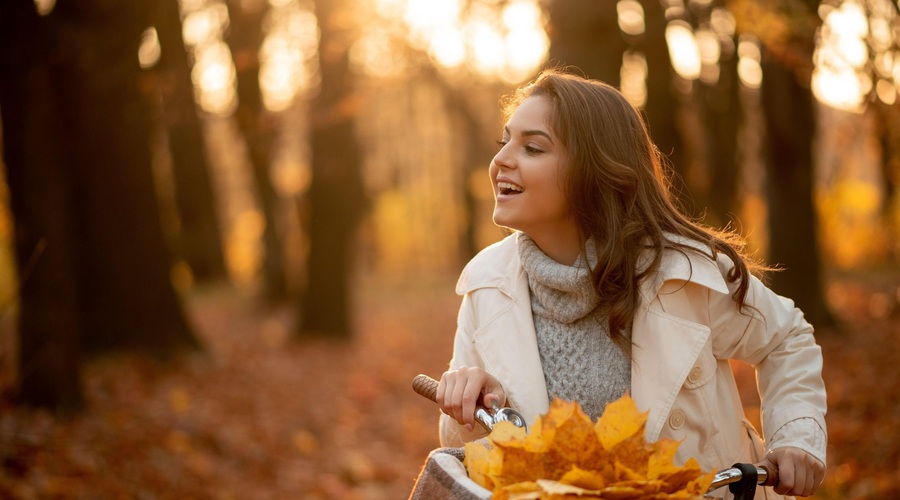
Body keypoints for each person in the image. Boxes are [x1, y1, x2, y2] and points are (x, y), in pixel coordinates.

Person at [433, 69, 827, 498]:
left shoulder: (685, 271)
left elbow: (786, 338)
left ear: (594, 167)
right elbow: (468, 457)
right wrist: (470, 403)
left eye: (531, 148)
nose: (501, 160)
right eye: (504, 141)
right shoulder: (486, 286)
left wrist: (795, 438)